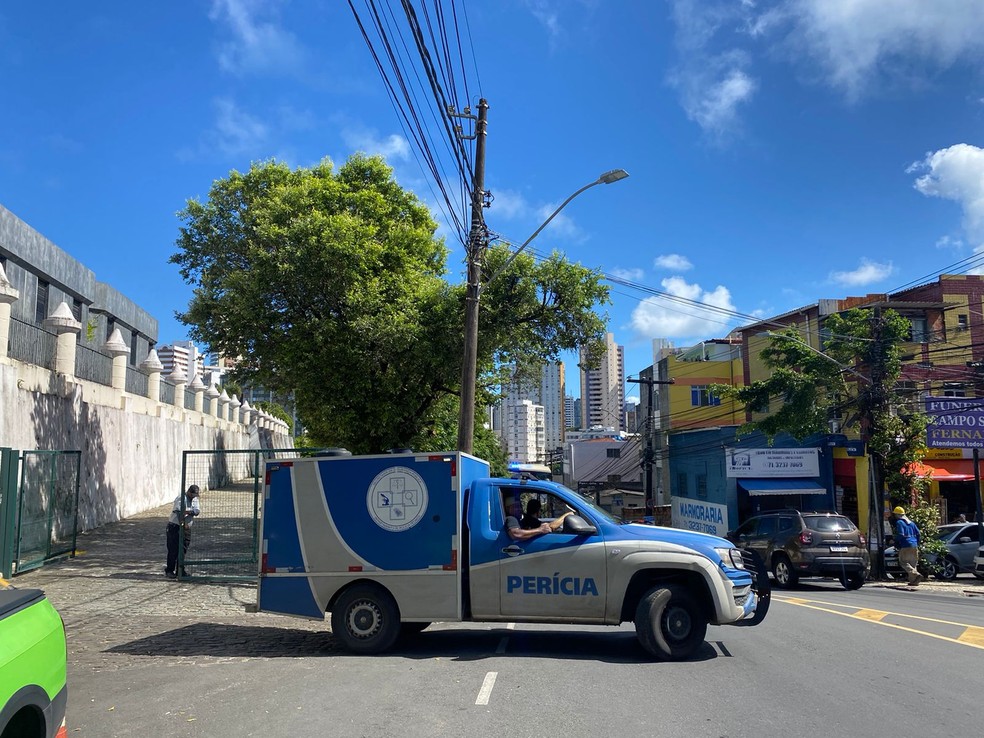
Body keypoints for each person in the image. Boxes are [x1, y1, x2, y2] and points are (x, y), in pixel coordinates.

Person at [165, 484, 201, 578]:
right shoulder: (181, 498)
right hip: (175, 526)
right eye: (192, 495)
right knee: (173, 549)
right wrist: (183, 522)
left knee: (183, 549)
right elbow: (178, 512)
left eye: (195, 496)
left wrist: (188, 512)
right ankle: (170, 570)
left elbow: (197, 511)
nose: (194, 498)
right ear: (189, 492)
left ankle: (180, 570)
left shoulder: (195, 499)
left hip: (186, 528)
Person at [893, 505, 922, 586]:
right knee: (913, 564)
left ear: (897, 515)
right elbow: (918, 533)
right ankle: (914, 581)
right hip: (914, 544)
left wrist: (895, 541)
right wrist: (917, 543)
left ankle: (915, 574)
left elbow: (901, 534)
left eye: (895, 515)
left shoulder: (899, 522)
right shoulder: (912, 523)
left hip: (905, 545)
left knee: (903, 562)